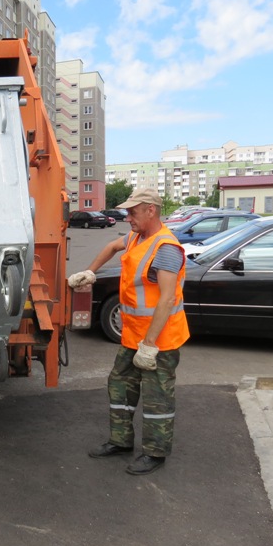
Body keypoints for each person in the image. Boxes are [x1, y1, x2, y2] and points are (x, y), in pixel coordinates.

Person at [68, 188, 189, 475]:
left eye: (133, 212)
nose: (127, 217)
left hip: (158, 342)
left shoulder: (166, 249)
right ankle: (120, 442)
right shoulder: (137, 237)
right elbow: (111, 247)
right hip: (134, 337)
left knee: (156, 397)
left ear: (151, 210)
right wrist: (90, 272)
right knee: (120, 385)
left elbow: (167, 298)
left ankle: (155, 453)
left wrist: (149, 345)